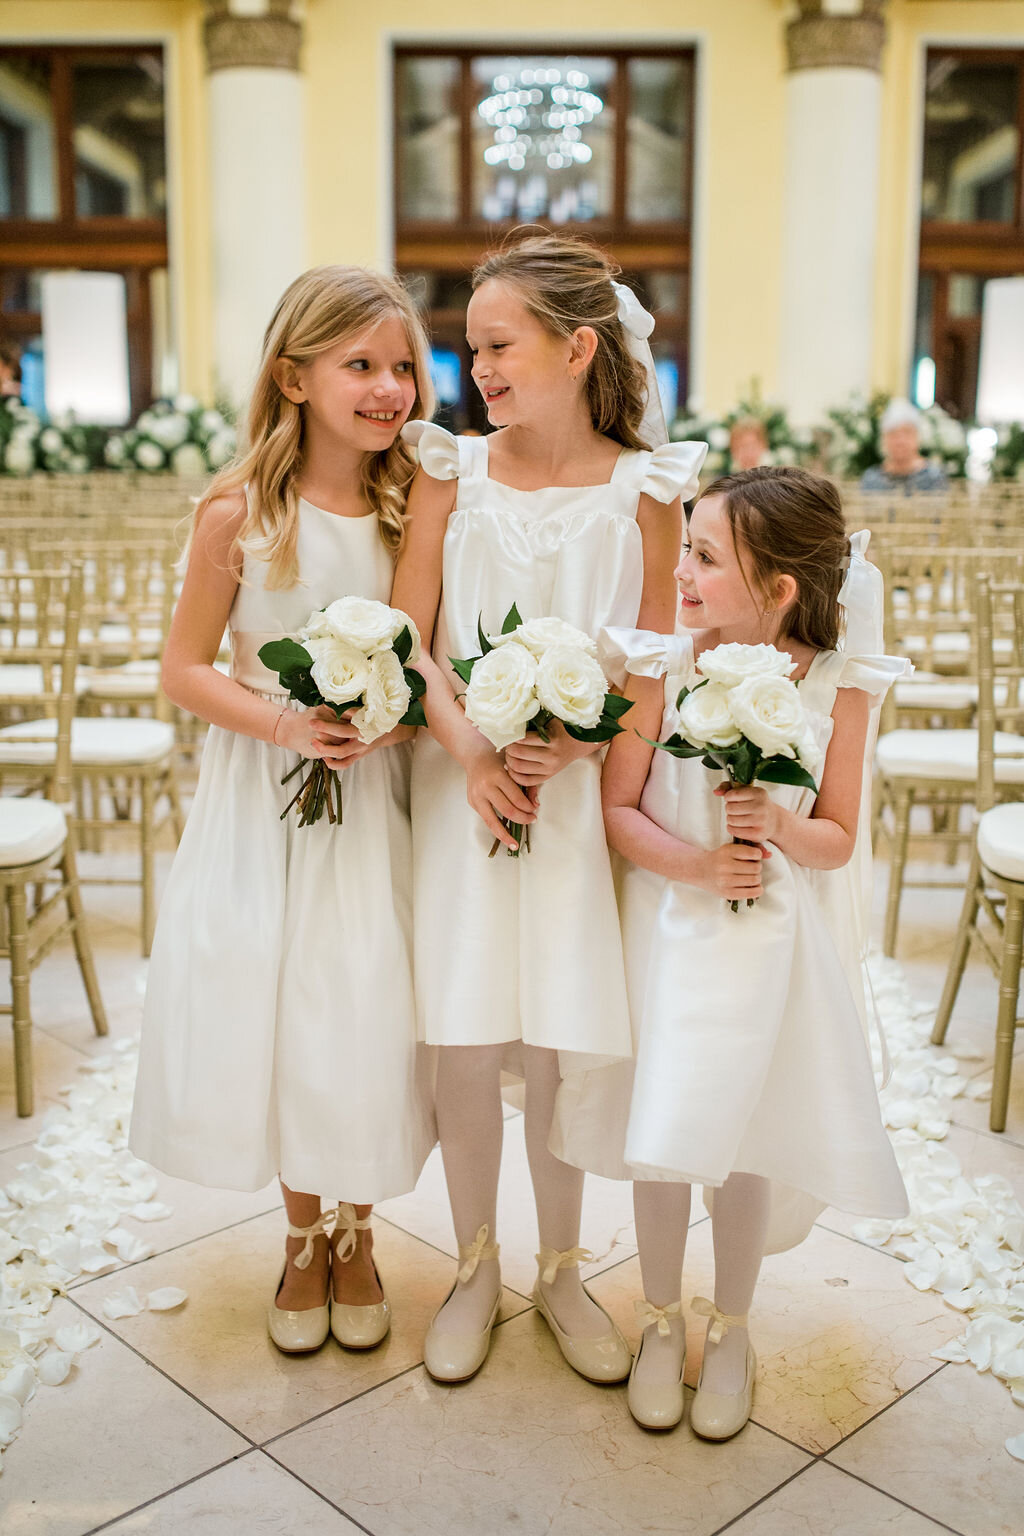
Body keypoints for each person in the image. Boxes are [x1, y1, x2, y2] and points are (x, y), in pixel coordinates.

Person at [392, 233, 706, 1385]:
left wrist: (583, 743)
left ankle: (562, 1266)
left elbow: (658, 652)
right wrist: (474, 747)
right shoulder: (449, 471)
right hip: (461, 780)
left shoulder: (647, 489)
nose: (474, 368)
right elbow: (411, 638)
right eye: (469, 347)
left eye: (497, 345)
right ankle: (475, 1260)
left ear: (578, 349)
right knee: (467, 1034)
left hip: (577, 804)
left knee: (558, 1037)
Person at [552, 467, 910, 1436]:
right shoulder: (656, 667)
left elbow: (835, 836)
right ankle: (662, 1317)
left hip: (772, 959)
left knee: (748, 1139)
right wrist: (699, 867)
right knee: (667, 1134)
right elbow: (620, 811)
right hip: (668, 942)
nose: (682, 571)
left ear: (779, 589)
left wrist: (778, 830)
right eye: (688, 547)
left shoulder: (838, 689)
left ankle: (734, 1322)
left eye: (705, 557)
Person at [130, 267, 436, 1356]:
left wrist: (386, 723)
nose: (389, 387)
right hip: (265, 795)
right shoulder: (239, 512)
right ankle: (304, 1235)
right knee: (279, 1003)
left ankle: (363, 1228)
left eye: (403, 366)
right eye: (361, 365)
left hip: (375, 797)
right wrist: (283, 725)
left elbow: (425, 659)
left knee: (361, 1006)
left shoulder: (416, 509)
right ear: (294, 376)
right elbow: (183, 666)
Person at [860, 398, 947, 494]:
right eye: (893, 434)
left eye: (907, 433)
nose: (900, 441)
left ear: (918, 437)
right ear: (883, 439)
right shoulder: (871, 478)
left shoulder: (934, 476)